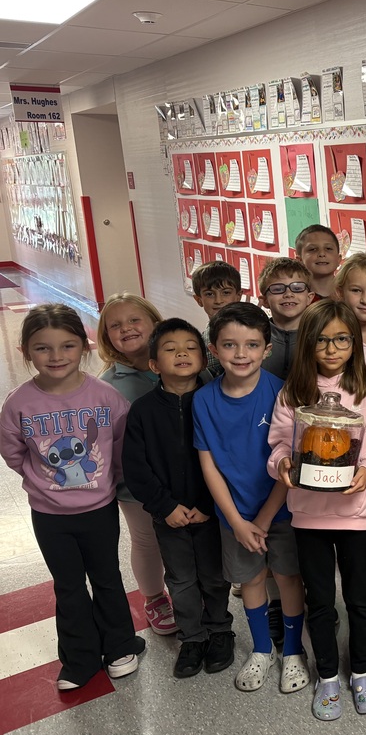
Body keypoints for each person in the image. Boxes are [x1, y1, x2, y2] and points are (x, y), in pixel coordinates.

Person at [0, 304, 145, 690]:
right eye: (42, 348)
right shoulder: (18, 403)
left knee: (107, 577)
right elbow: (12, 451)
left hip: (99, 509)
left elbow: (121, 445)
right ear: (25, 351)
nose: (56, 356)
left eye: (67, 346)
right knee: (68, 585)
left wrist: (108, 481)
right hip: (49, 515)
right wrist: (40, 480)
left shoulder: (105, 396)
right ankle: (80, 658)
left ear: (84, 346)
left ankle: (120, 645)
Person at [268, 301, 366, 720]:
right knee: (321, 600)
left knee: (359, 598)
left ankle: (361, 671)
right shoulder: (294, 392)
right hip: (308, 515)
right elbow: (279, 443)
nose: (331, 349)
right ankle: (327, 675)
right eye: (322, 340)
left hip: (355, 515)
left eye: (341, 339)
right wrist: (282, 463)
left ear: (354, 342)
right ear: (307, 343)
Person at [193, 302, 307, 694]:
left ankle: (293, 650)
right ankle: (262, 649)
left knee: (288, 578)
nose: (241, 354)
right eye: (230, 345)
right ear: (214, 348)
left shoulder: (283, 395)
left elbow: (289, 464)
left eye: (252, 345)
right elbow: (209, 465)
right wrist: (237, 522)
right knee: (252, 579)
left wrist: (263, 519)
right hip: (234, 516)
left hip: (282, 510)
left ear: (267, 348)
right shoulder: (203, 400)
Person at [123, 318, 234, 679]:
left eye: (190, 347)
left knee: (215, 576)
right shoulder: (143, 411)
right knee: (181, 579)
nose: (182, 353)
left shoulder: (218, 401)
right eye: (170, 349)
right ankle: (192, 637)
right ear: (154, 364)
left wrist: (207, 504)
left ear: (204, 358)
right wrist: (165, 506)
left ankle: (220, 630)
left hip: (211, 511)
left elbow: (229, 458)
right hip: (167, 515)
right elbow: (135, 468)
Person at [97, 292, 177, 636]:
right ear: (107, 337)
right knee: (147, 540)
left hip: (183, 477)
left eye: (134, 320)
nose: (126, 329)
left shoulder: (180, 365)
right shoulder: (106, 386)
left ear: (155, 323)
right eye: (115, 325)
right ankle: (154, 597)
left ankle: (192, 590)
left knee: (188, 538)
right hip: (136, 485)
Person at [257, 257, 315, 380]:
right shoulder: (254, 336)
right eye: (278, 289)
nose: (288, 294)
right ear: (265, 301)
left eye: (297, 288)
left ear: (309, 298)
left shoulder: (319, 335)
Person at [191, 260, 243, 378]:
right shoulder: (201, 342)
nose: (218, 300)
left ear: (238, 296)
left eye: (226, 293)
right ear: (199, 300)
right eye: (210, 294)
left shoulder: (253, 329)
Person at [294, 224, 342, 300]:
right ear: (299, 260)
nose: (322, 254)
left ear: (338, 259)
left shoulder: (349, 295)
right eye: (312, 249)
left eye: (328, 248)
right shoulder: (294, 298)